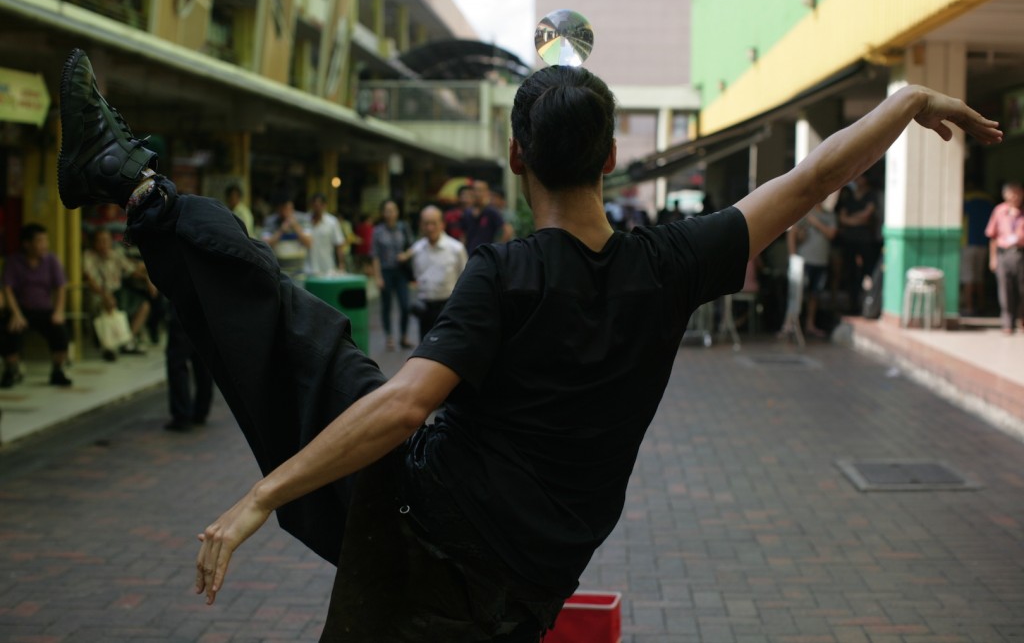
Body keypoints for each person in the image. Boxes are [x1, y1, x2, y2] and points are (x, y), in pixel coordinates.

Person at [56, 48, 1001, 641]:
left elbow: (408, 402)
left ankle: (140, 195)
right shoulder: (669, 260)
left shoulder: (504, 274)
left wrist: (258, 496)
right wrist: (908, 99)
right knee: (307, 336)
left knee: (294, 334)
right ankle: (136, 191)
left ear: (515, 161)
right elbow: (804, 182)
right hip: (508, 567)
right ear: (610, 160)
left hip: (430, 559)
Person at [0, 223, 72, 387]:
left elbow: (61, 286)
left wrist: (59, 311)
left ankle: (58, 370)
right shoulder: (13, 261)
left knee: (60, 332)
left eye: (45, 240)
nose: (44, 245)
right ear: (27, 244)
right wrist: (16, 314)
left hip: (45, 310)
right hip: (21, 310)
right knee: (6, 331)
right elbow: (7, 289)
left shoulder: (51, 260)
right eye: (40, 241)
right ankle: (12, 369)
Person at [82, 228, 152, 360]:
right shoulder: (89, 255)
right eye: (100, 241)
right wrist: (105, 295)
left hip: (118, 292)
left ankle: (127, 340)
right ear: (94, 243)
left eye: (106, 240)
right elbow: (89, 279)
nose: (103, 244)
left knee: (144, 305)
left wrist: (148, 280)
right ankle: (110, 347)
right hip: (98, 293)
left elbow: (132, 270)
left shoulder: (115, 254)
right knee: (107, 305)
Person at [407, 205, 468, 339]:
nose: (430, 228)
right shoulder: (417, 249)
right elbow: (416, 275)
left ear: (442, 224)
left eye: (434, 223)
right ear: (420, 225)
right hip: (424, 308)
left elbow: (465, 280)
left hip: (448, 308)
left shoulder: (456, 249)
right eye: (426, 224)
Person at [785, 200, 837, 337]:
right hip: (804, 260)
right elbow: (792, 234)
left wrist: (815, 222)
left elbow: (831, 234)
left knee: (815, 295)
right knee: (797, 294)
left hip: (821, 261)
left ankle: (809, 325)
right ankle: (789, 325)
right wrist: (793, 257)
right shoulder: (804, 212)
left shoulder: (829, 215)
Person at [164, 300, 214, 432]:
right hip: (204, 304)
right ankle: (200, 410)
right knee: (202, 360)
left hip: (184, 301)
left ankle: (183, 413)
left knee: (177, 362)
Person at [371, 199, 414, 350]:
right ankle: (389, 337)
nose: (390, 214)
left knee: (405, 305)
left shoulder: (404, 227)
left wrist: (406, 255)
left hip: (401, 271)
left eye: (393, 210)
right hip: (385, 271)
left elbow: (413, 247)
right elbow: (375, 255)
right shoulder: (378, 231)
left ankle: (403, 336)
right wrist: (378, 277)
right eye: (387, 210)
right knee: (386, 305)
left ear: (397, 212)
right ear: (383, 213)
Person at [836, 174, 881, 313]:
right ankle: (852, 305)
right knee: (850, 274)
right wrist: (858, 219)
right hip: (849, 241)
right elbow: (842, 218)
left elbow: (867, 215)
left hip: (865, 241)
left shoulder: (871, 195)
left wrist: (850, 218)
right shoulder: (847, 194)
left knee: (867, 273)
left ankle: (867, 306)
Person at [985, 181, 1024, 334]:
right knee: (1005, 289)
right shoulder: (999, 211)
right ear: (1005, 195)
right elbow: (992, 236)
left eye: (1017, 193)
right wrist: (993, 259)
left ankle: (1022, 318)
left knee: (1022, 289)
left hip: (1021, 253)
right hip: (1004, 254)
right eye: (1011, 193)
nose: (1014, 196)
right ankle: (1007, 322)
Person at [960, 185, 995, 316]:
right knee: (979, 277)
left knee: (968, 277)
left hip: (967, 242)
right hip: (984, 243)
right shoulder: (989, 200)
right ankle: (981, 305)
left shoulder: (966, 199)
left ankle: (969, 307)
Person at [260, 193, 311, 276]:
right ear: (278, 209)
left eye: (288, 208)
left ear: (292, 207)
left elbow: (309, 243)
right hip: (278, 272)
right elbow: (265, 245)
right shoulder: (270, 221)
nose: (285, 212)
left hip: (299, 272)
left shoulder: (302, 219)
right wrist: (281, 231)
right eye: (282, 209)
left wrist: (296, 227)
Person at [460, 180, 505, 253]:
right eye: (475, 190)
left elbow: (506, 230)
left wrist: (497, 250)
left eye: (480, 190)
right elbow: (464, 235)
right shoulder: (467, 213)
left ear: (487, 193)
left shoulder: (492, 212)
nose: (477, 193)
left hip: (487, 255)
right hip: (470, 254)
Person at [306, 193, 345, 276]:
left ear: (324, 205)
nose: (317, 207)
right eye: (315, 204)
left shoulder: (332, 222)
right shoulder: (305, 221)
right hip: (307, 268)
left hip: (327, 268)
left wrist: (341, 265)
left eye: (320, 204)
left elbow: (339, 245)